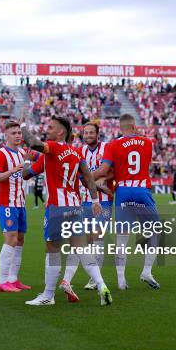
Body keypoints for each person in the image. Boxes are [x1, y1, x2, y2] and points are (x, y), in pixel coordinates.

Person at [20, 115, 113, 306]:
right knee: (81, 248)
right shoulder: (76, 153)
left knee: (52, 250)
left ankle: (48, 295)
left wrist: (23, 129)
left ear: (61, 132)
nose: (48, 129)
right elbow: (88, 178)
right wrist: (95, 200)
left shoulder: (52, 148)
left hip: (57, 207)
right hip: (76, 207)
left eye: (51, 127)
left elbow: (26, 171)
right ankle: (101, 284)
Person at [93, 114, 161, 290]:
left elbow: (105, 170)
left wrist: (89, 178)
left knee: (122, 238)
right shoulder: (147, 143)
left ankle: (121, 280)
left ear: (120, 127)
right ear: (134, 126)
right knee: (154, 231)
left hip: (122, 191)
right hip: (141, 191)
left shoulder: (113, 145)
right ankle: (146, 271)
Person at [59, 122, 114, 300]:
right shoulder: (79, 151)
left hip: (103, 202)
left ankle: (93, 278)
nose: (88, 135)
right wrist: (91, 181)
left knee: (97, 236)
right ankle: (67, 280)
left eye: (91, 132)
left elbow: (108, 170)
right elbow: (76, 175)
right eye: (86, 132)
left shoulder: (106, 147)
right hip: (84, 201)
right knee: (80, 240)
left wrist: (98, 178)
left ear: (98, 134)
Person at [0, 121, 34, 293]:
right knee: (11, 238)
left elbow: (27, 173)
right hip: (6, 202)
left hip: (20, 203)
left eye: (19, 132)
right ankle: (2, 281)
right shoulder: (1, 154)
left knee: (20, 239)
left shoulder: (23, 152)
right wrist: (14, 169)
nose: (17, 135)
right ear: (6, 135)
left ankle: (13, 279)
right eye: (13, 133)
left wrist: (28, 164)